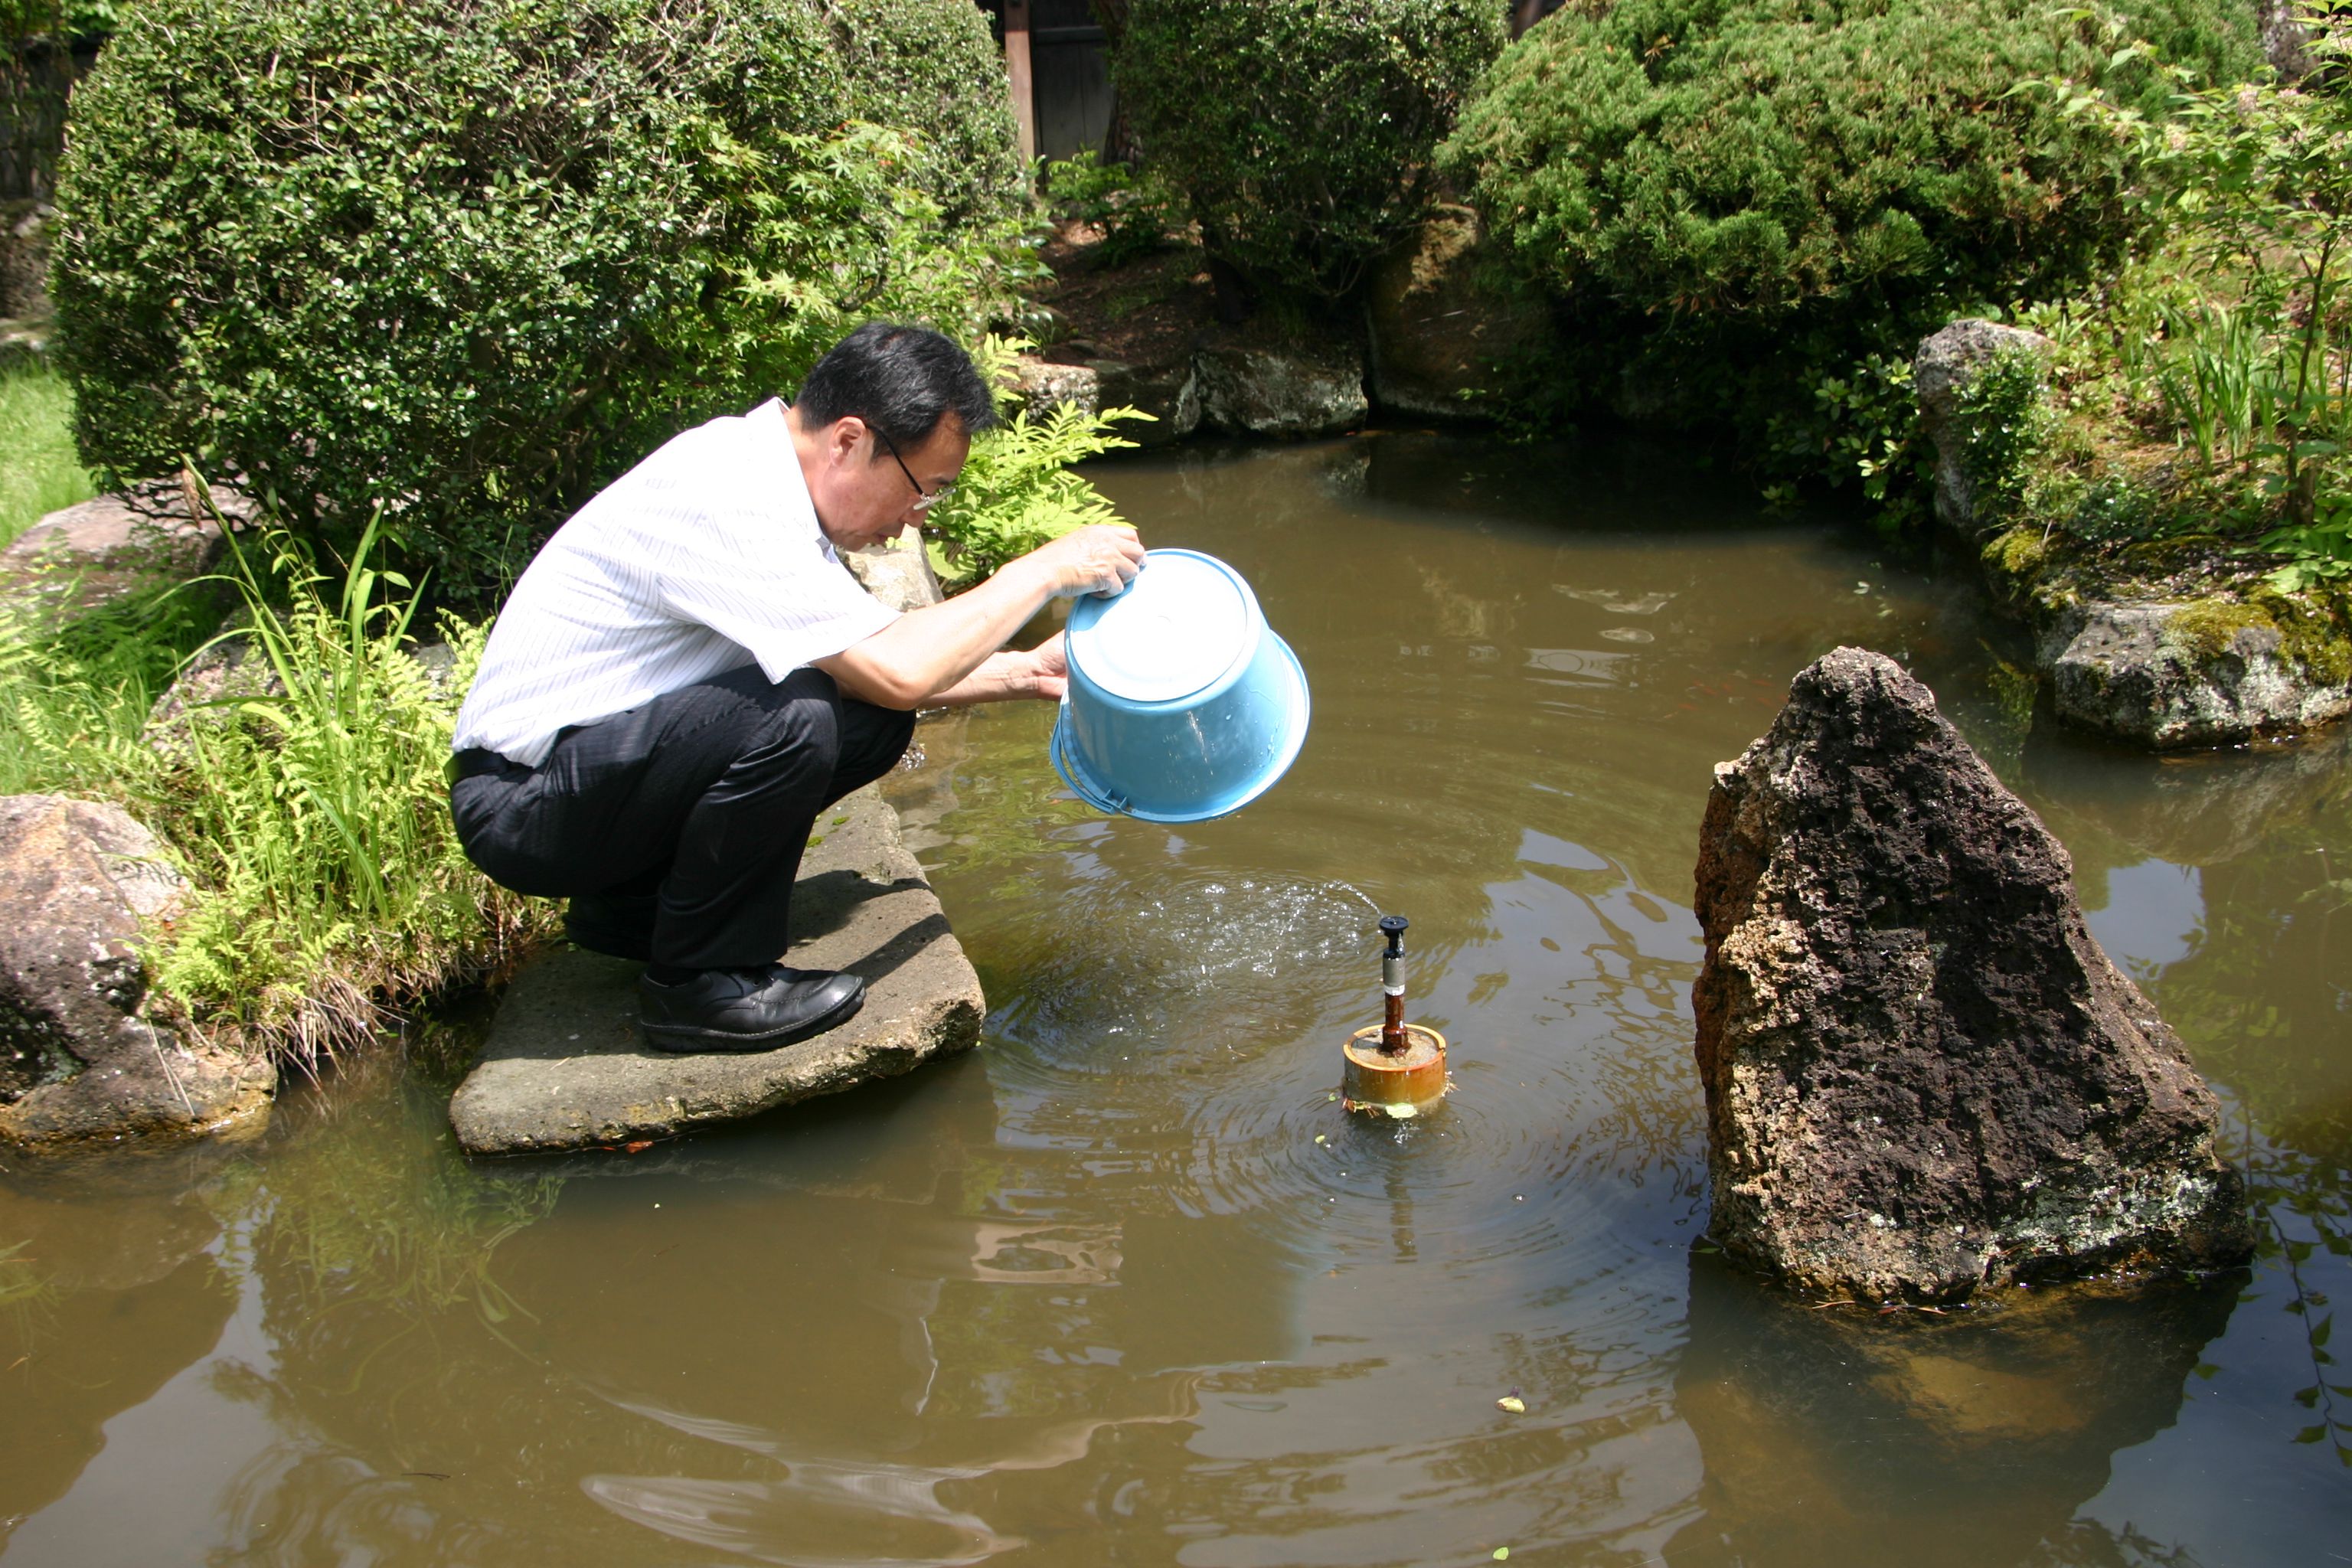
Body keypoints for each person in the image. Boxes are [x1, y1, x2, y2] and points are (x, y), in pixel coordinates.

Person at [447, 322, 1145, 1052]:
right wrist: (1040, 571)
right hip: (524, 802)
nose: (915, 520)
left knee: (868, 719)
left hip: (591, 780)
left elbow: (880, 665)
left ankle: (636, 911)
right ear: (849, 441)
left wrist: (1027, 670)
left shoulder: (768, 483)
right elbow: (900, 668)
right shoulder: (728, 494)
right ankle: (702, 987)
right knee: (799, 713)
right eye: (924, 491)